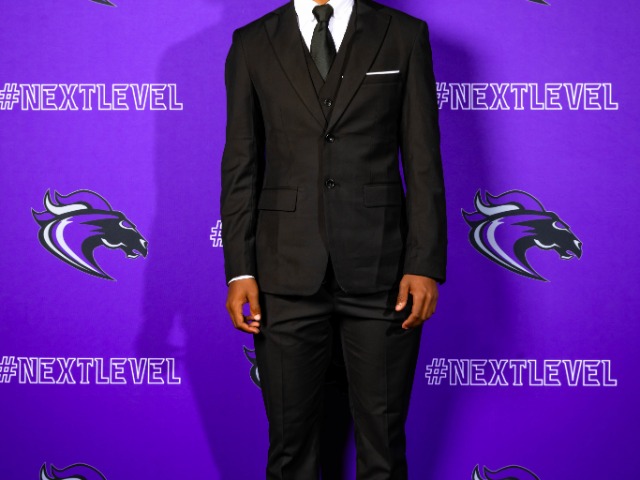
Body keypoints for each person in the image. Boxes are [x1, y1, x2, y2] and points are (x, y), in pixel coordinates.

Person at [220, 0, 447, 477]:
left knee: (383, 448)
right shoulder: (251, 42)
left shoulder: (403, 34)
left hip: (384, 271)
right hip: (283, 273)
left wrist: (424, 263)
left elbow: (423, 160)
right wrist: (240, 270)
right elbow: (241, 164)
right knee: (290, 449)